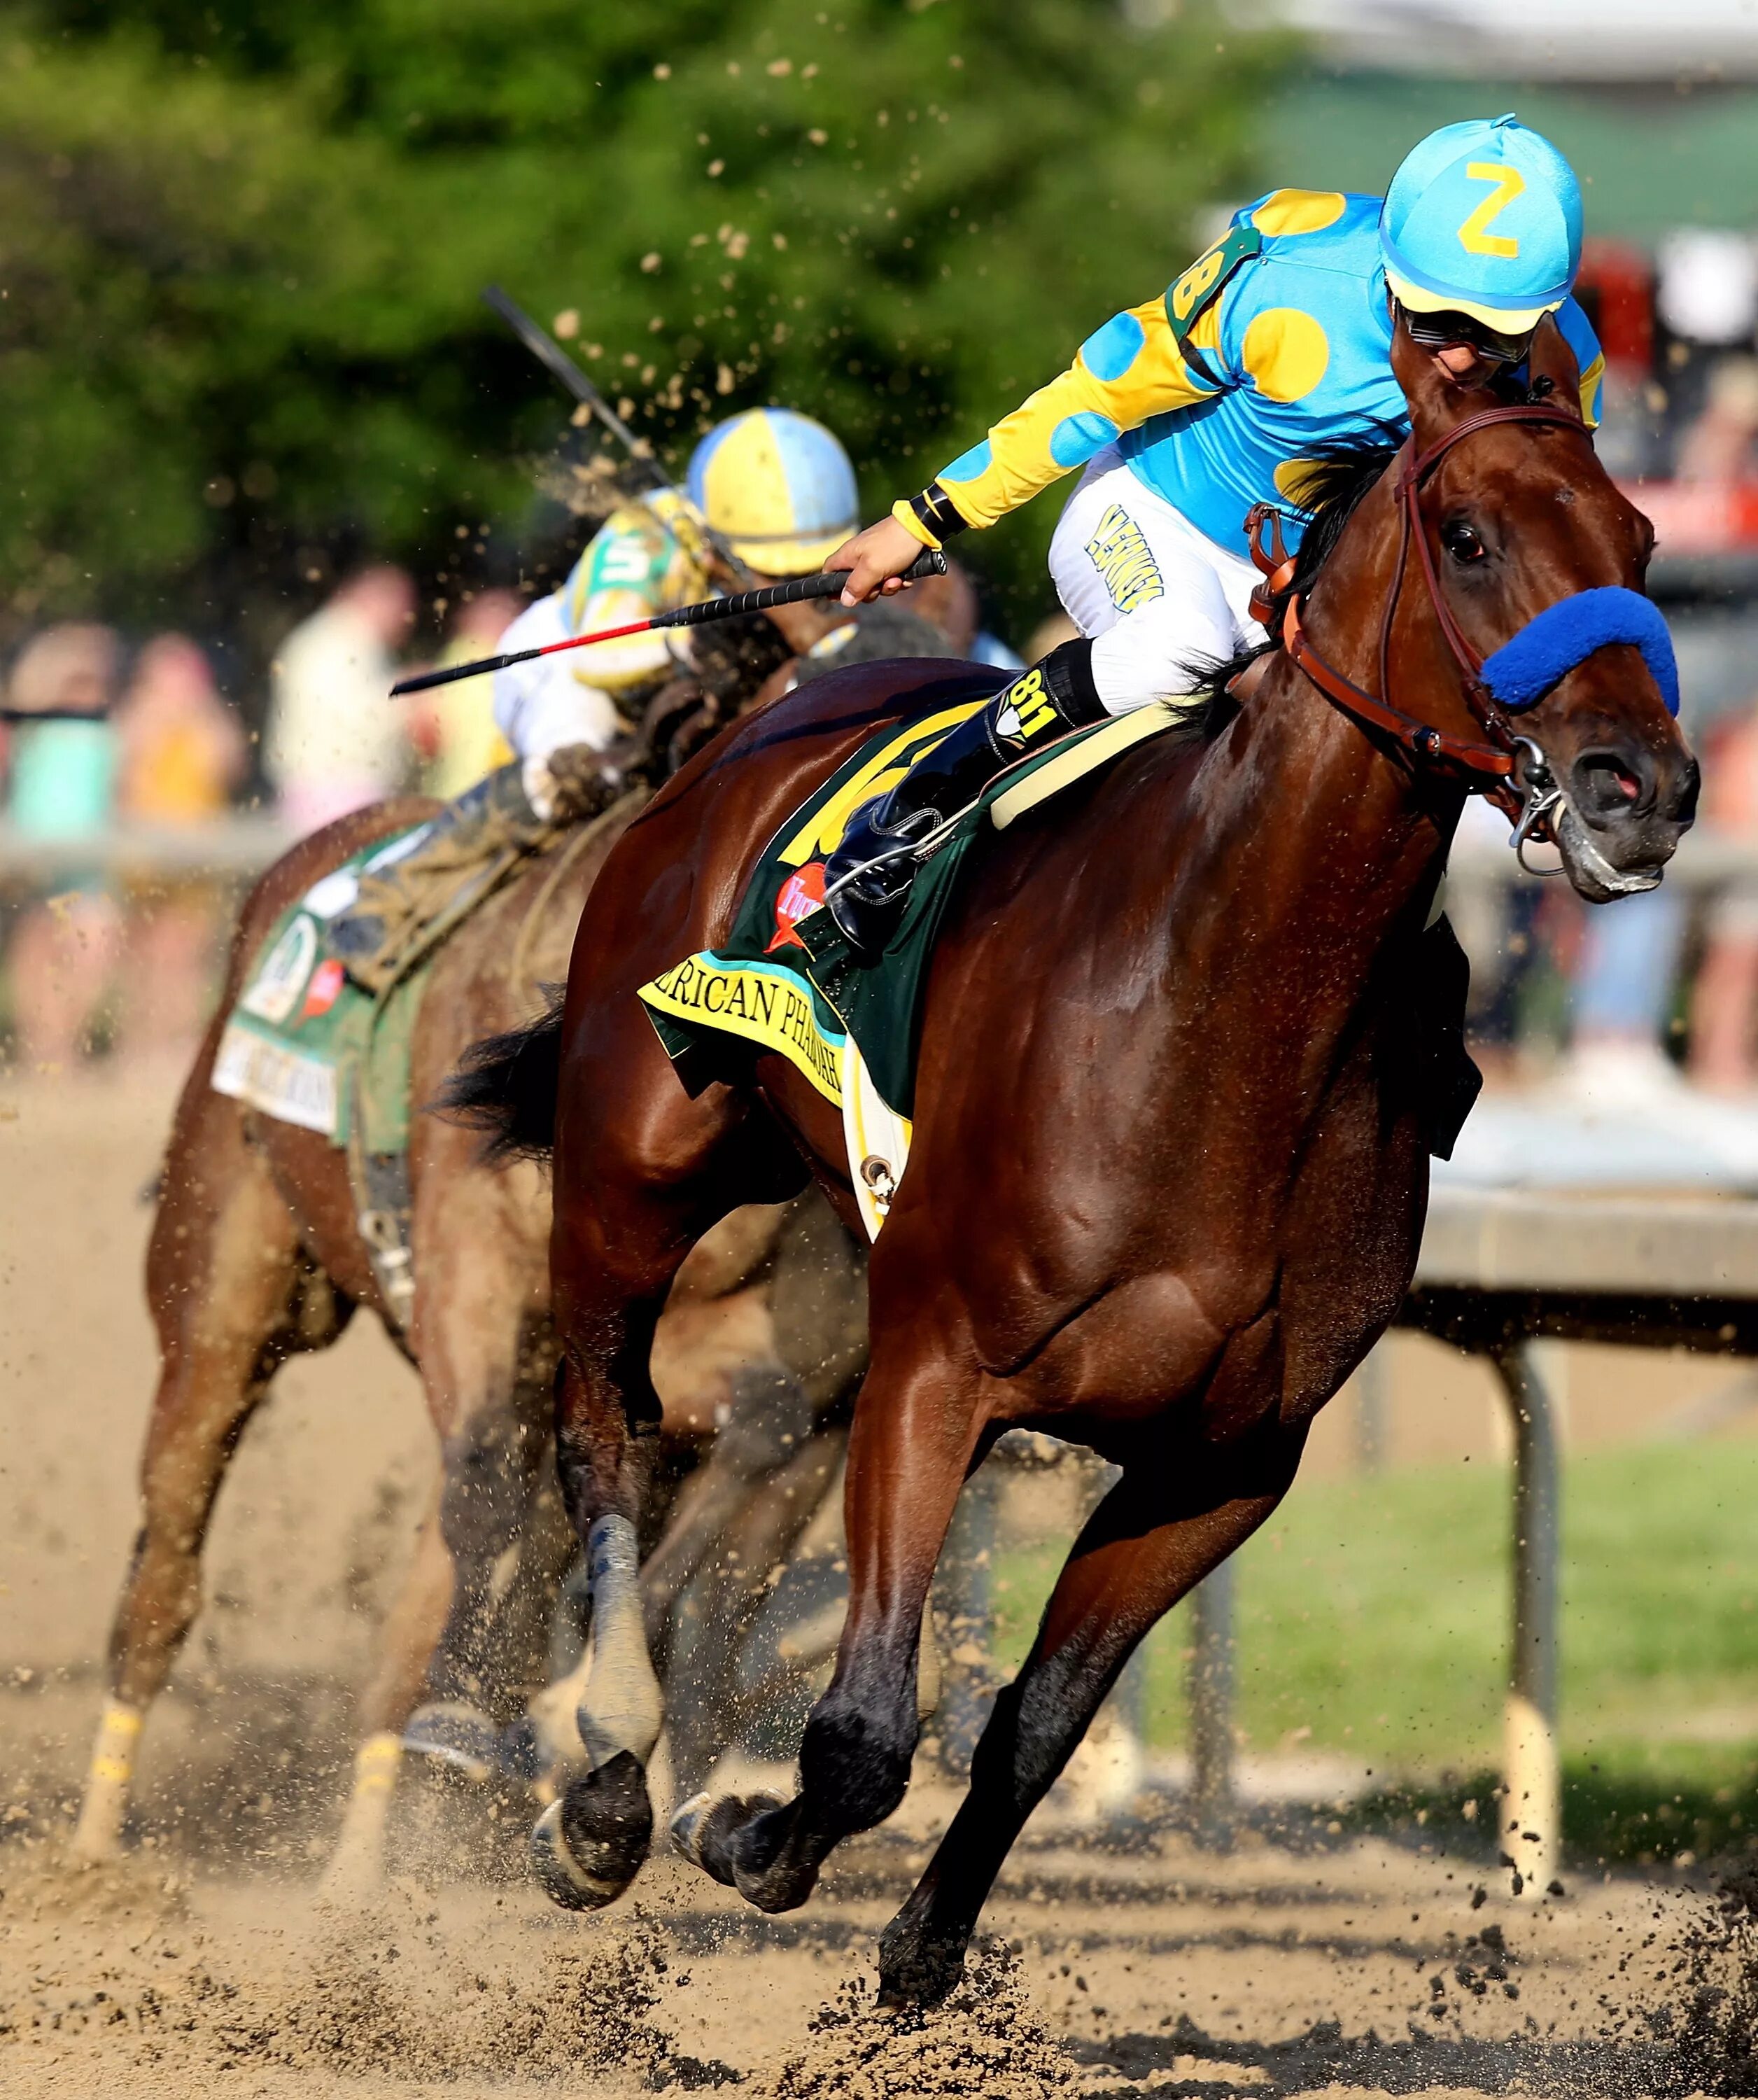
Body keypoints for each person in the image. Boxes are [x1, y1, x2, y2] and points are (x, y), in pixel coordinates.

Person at [822, 115, 1606, 953]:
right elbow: (1098, 392)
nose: (1460, 361)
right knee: (1177, 646)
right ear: (1390, 271)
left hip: (1311, 594)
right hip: (1151, 520)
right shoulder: (1283, 283)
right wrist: (924, 519)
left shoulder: (1564, 367)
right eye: (1436, 324)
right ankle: (922, 799)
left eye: (1495, 335)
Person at [328, 408, 862, 979]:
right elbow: (601, 657)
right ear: (709, 543)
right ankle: (390, 900)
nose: (793, 590)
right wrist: (690, 648)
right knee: (576, 764)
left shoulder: (766, 536)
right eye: (772, 574)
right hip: (565, 667)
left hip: (669, 675)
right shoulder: (645, 536)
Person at [113, 635, 248, 1065]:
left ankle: (177, 1044)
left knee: (188, 952)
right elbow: (127, 769)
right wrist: (160, 720)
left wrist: (200, 714)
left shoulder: (209, 719)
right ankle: (137, 1042)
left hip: (196, 853)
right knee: (145, 952)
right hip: (145, 852)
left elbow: (228, 766)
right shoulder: (135, 713)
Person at [3, 624, 123, 1070]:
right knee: (39, 948)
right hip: (37, 854)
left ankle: (66, 1040)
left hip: (88, 862)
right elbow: (31, 683)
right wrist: (66, 647)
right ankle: (44, 1045)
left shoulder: (106, 730)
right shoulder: (36, 723)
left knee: (93, 949)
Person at [262, 566, 416, 833]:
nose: (406, 619)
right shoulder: (336, 644)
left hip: (331, 788)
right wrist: (409, 698)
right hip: (333, 789)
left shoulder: (345, 639)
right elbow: (348, 718)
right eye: (400, 606)